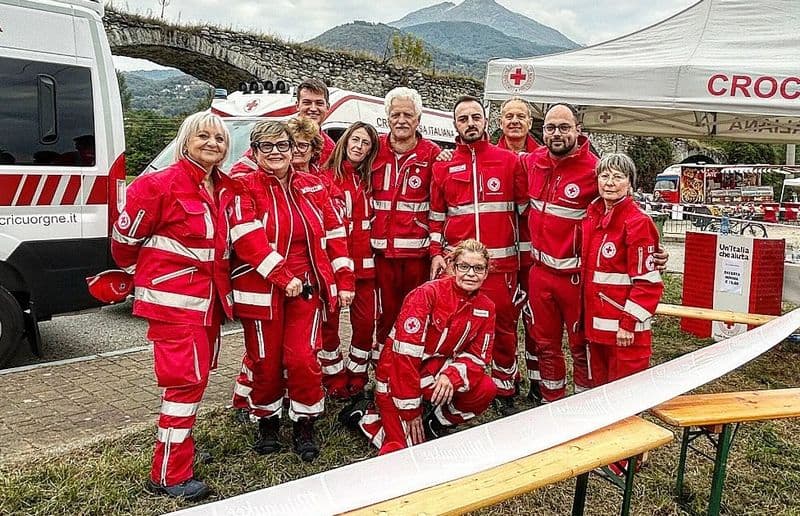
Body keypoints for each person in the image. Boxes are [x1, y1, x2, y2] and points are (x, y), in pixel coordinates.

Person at [110, 112, 240, 501]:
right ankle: (169, 473)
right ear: (185, 141)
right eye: (203, 136)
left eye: (219, 138)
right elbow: (123, 241)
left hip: (207, 305)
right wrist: (148, 274)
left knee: (194, 384)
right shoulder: (157, 185)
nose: (212, 143)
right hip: (175, 306)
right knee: (182, 387)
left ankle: (178, 456)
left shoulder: (222, 187)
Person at [522, 104, 668, 405]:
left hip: (575, 278)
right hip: (540, 273)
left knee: (581, 347)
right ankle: (551, 405)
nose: (557, 133)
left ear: (578, 129)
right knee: (545, 345)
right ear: (542, 130)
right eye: (550, 127)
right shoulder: (533, 162)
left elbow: (625, 215)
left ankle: (583, 407)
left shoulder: (595, 169)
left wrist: (654, 252)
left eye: (565, 127)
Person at [229, 120, 354, 462]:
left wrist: (344, 280)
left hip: (306, 288)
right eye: (265, 147)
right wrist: (283, 277)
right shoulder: (243, 187)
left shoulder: (313, 186)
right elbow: (247, 239)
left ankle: (305, 422)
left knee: (301, 358)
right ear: (254, 152)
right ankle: (267, 421)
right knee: (265, 361)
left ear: (293, 149)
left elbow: (334, 235)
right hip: (261, 290)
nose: (275, 153)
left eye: (282, 145)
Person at [342, 239, 496, 454]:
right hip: (397, 377)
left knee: (486, 389)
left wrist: (451, 376)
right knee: (402, 451)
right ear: (452, 266)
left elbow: (478, 357)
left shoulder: (487, 307)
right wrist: (410, 409)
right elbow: (403, 358)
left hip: (435, 373)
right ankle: (365, 419)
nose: (471, 274)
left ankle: (434, 423)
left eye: (478, 268)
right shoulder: (426, 294)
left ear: (487, 272)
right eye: (464, 266)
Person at [429, 95, 528, 416]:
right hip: (459, 270)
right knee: (454, 329)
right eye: (463, 119)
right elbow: (436, 217)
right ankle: (456, 384)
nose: (470, 124)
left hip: (501, 269)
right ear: (454, 125)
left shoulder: (510, 161)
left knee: (503, 329)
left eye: (475, 117)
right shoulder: (443, 165)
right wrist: (436, 253)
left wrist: (523, 267)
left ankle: (505, 388)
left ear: (485, 120)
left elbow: (524, 215)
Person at [370, 87, 442, 357]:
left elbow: (438, 210)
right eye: (395, 114)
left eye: (407, 115)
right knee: (384, 314)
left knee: (415, 314)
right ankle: (382, 367)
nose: (401, 120)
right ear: (387, 118)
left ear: (418, 119)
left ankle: (411, 366)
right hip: (380, 255)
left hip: (416, 257)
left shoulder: (433, 154)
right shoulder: (374, 149)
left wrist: (435, 252)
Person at [582, 153, 663, 387]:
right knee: (599, 394)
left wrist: (628, 323)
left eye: (618, 177)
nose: (609, 182)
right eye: (604, 175)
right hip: (597, 328)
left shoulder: (637, 222)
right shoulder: (594, 217)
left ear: (630, 184)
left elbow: (648, 282)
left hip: (624, 333)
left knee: (624, 398)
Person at [319, 122, 380, 398]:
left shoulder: (369, 179)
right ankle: (333, 377)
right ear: (345, 141)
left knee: (365, 325)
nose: (359, 146)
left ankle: (357, 374)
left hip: (365, 268)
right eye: (355, 140)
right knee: (328, 326)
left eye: (366, 143)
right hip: (332, 267)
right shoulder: (324, 177)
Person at [230, 78, 334, 175]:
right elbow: (240, 171)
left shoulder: (331, 148)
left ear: (327, 107)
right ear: (297, 105)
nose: (313, 108)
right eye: (307, 103)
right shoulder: (276, 136)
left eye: (319, 103)